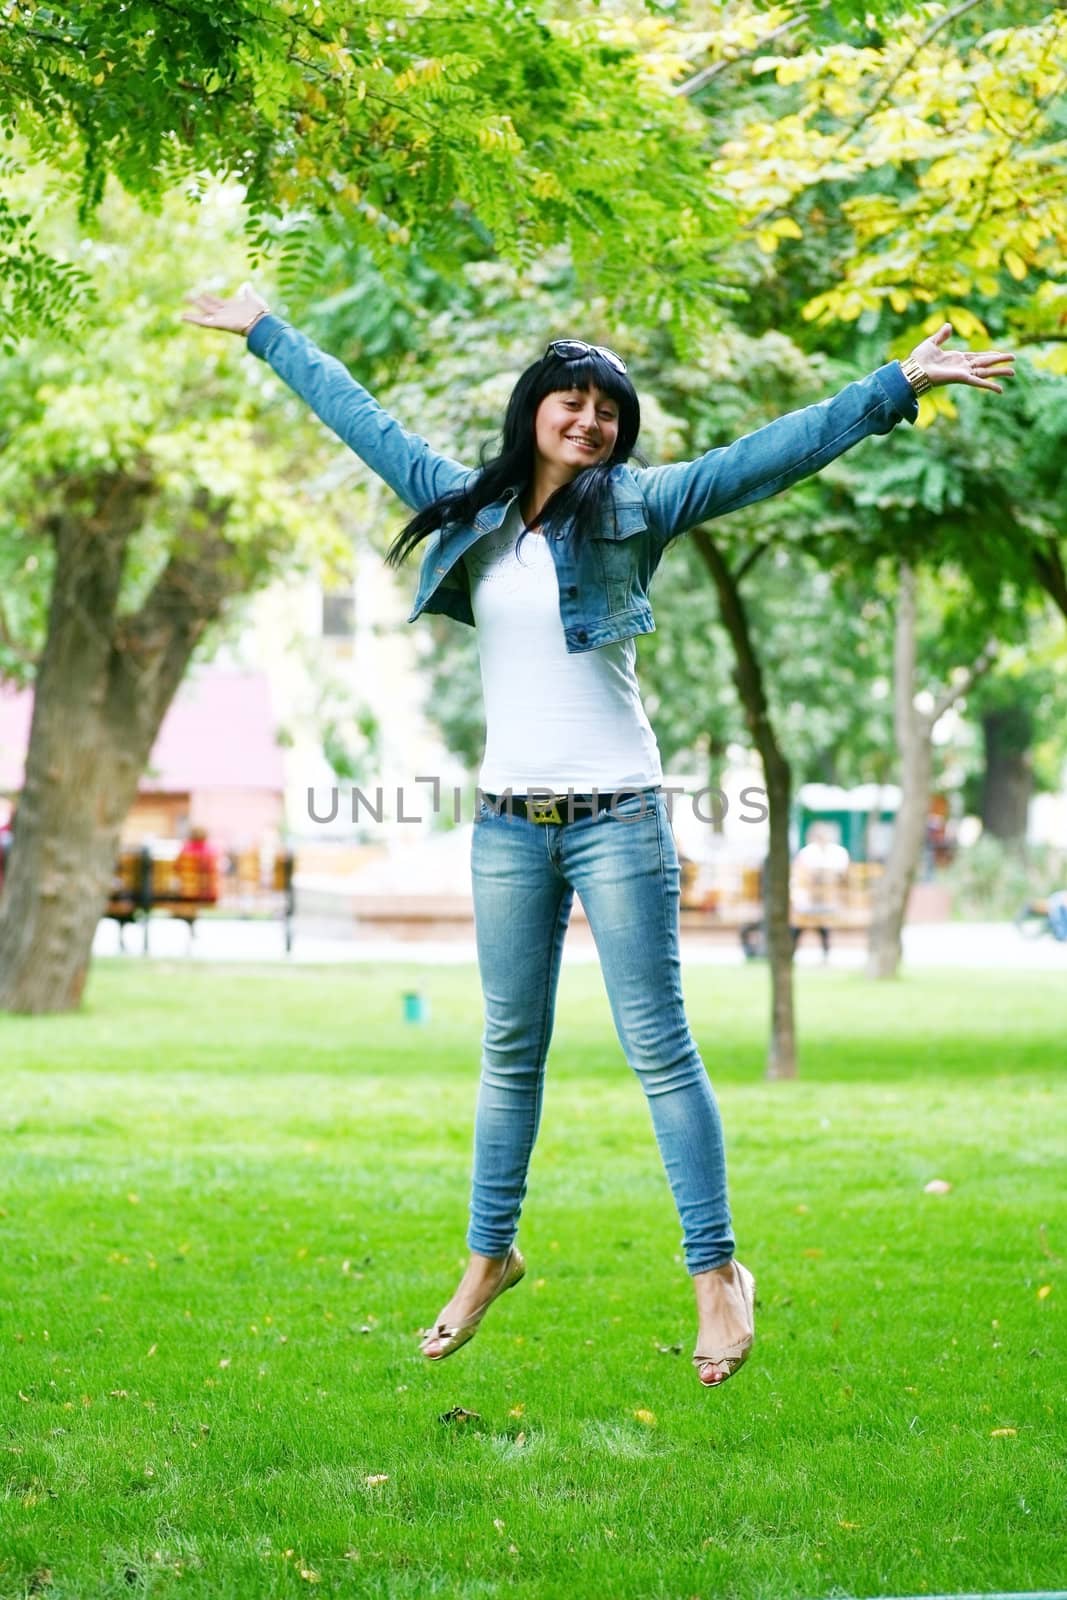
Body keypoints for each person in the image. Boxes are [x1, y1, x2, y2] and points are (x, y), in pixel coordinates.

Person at [183, 285, 1013, 1389]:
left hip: (617, 814)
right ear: (533, 409)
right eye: (570, 402)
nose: (588, 421)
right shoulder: (465, 502)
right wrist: (265, 331)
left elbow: (767, 456)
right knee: (507, 1055)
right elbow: (364, 417)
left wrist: (892, 386)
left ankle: (717, 1274)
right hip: (505, 826)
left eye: (606, 410)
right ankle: (489, 1255)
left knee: (659, 1050)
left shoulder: (639, 504)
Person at [792, 824, 851, 961]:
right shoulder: (807, 853)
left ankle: (824, 952)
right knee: (803, 923)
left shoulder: (838, 853)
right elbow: (801, 875)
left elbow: (843, 877)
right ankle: (793, 951)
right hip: (809, 900)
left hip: (829, 899)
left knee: (819, 924)